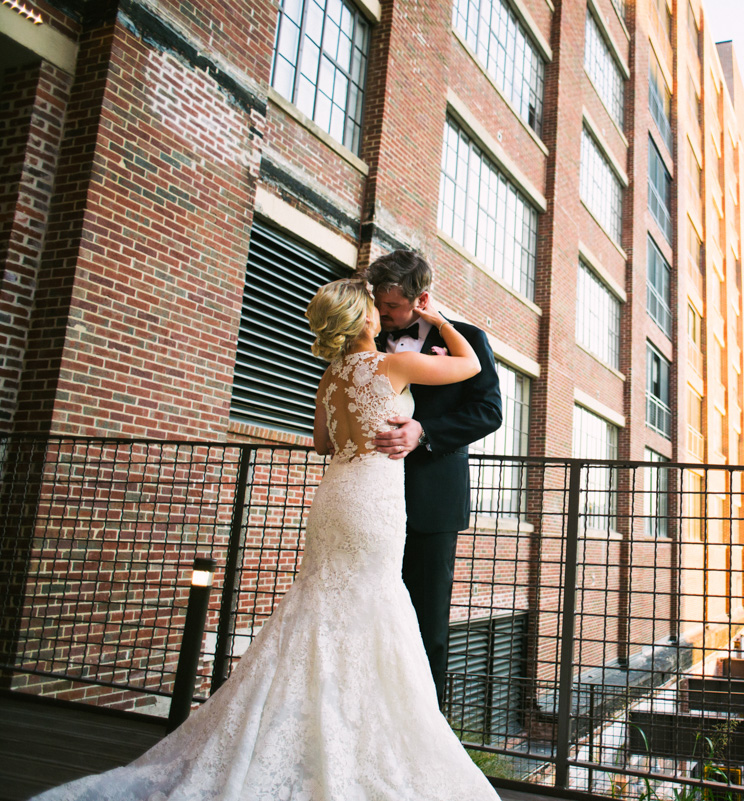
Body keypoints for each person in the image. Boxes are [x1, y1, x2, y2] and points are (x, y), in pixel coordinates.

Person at [27, 277, 500, 800]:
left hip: (335, 497)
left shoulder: (331, 374)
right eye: (374, 308)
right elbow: (471, 366)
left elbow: (323, 441)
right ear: (365, 319)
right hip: (373, 503)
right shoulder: (389, 366)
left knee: (318, 606)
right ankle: (352, 731)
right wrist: (439, 320)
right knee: (373, 605)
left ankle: (311, 725)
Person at [365, 250, 502, 706]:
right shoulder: (363, 336)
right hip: (368, 495)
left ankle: (424, 726)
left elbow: (489, 412)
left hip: (432, 501)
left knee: (428, 624)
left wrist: (425, 431)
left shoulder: (468, 339)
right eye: (379, 305)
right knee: (366, 612)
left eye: (392, 308)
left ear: (420, 299)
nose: (383, 317)